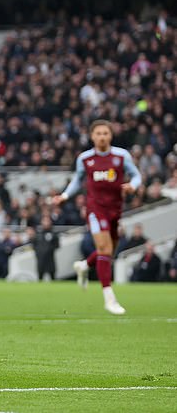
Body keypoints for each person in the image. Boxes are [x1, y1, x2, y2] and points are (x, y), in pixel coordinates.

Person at [53, 119, 142, 315]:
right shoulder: (85, 159)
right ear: (92, 136)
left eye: (105, 133)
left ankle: (84, 265)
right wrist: (65, 195)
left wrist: (133, 185)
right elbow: (77, 181)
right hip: (95, 209)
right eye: (98, 133)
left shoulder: (121, 156)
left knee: (108, 251)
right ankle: (109, 299)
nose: (102, 137)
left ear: (111, 135)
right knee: (105, 248)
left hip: (115, 210)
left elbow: (136, 175)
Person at [31, 216, 59, 281]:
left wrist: (49, 249)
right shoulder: (38, 234)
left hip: (50, 259)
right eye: (44, 221)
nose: (46, 223)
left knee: (52, 277)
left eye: (47, 221)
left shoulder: (54, 234)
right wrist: (38, 252)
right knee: (40, 277)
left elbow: (57, 245)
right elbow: (34, 245)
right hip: (40, 259)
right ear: (41, 222)